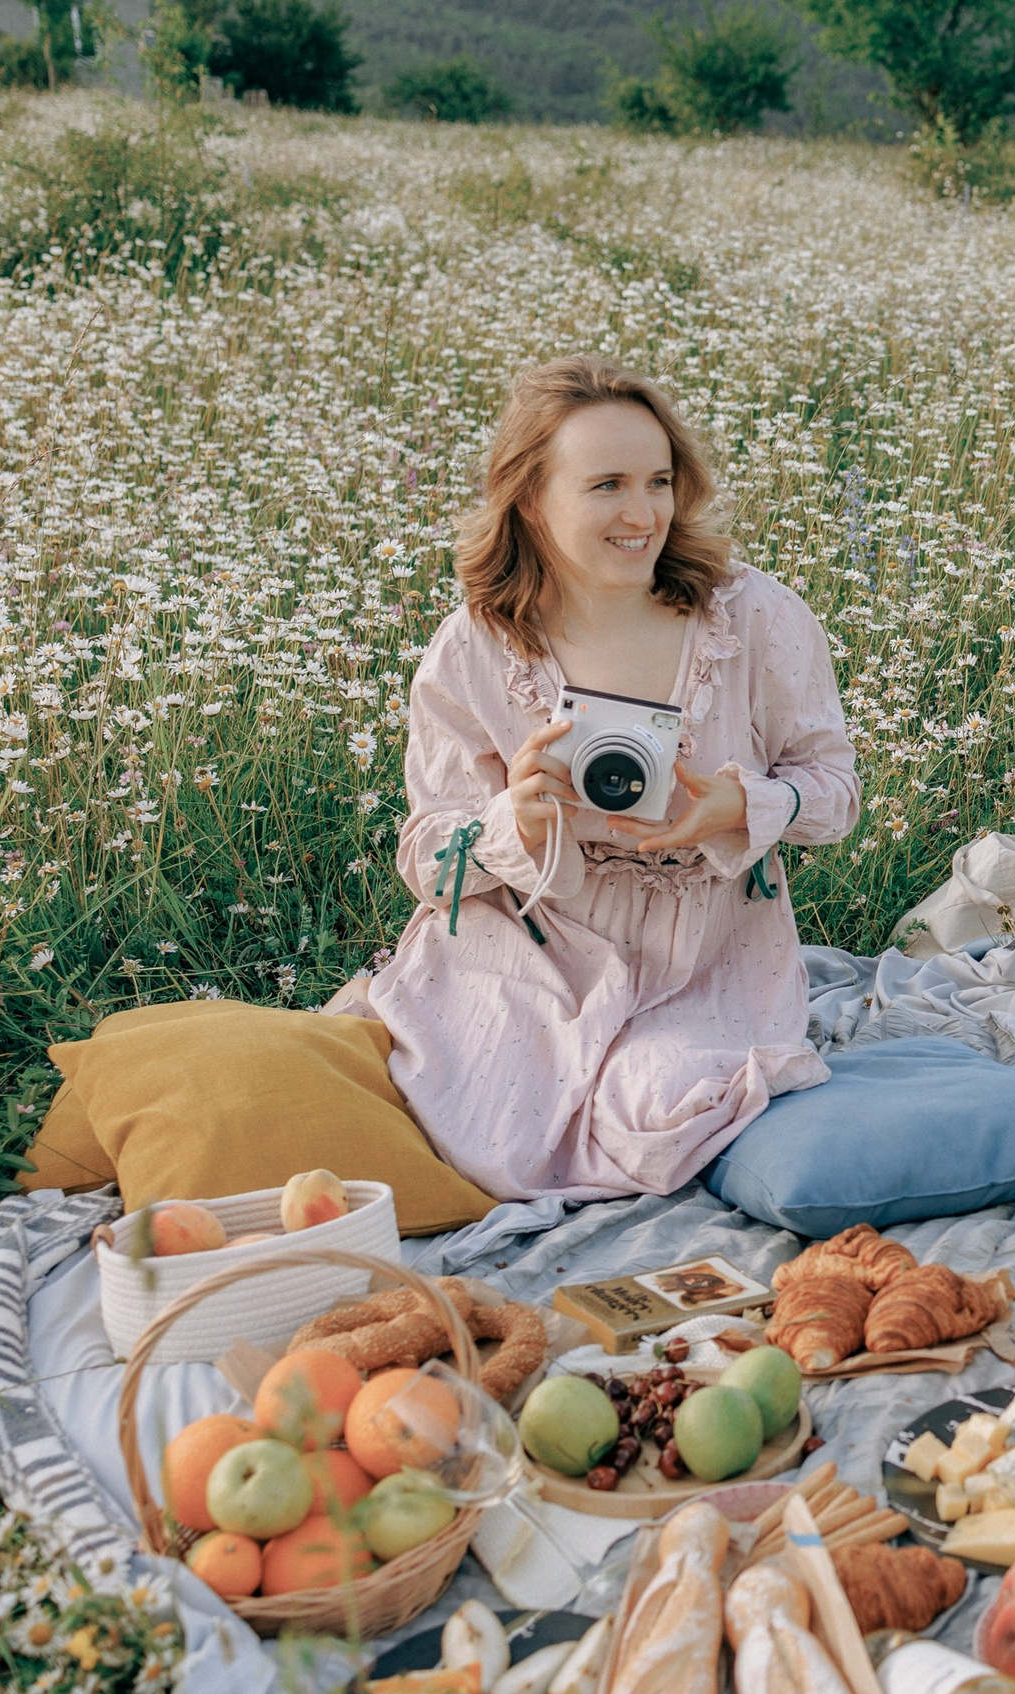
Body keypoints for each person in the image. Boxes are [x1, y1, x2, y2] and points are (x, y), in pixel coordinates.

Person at [330, 356, 859, 1201]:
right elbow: (428, 859)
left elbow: (835, 791)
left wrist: (744, 806)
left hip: (707, 947)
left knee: (662, 1109)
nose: (642, 514)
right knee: (480, 1135)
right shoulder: (475, 647)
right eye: (607, 485)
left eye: (658, 481)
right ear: (532, 500)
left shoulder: (754, 617)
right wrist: (515, 822)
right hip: (530, 944)